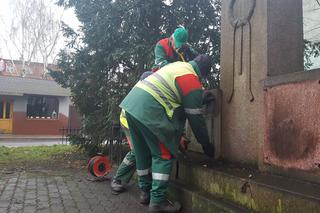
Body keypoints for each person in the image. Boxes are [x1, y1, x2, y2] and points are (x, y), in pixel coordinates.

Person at [120, 54, 215, 213]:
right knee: (163, 154)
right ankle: (157, 202)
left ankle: (145, 192)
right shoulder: (192, 79)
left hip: (131, 106)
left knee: (142, 152)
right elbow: (195, 118)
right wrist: (206, 144)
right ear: (203, 73)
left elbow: (174, 96)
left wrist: (198, 99)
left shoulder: (177, 66)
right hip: (147, 110)